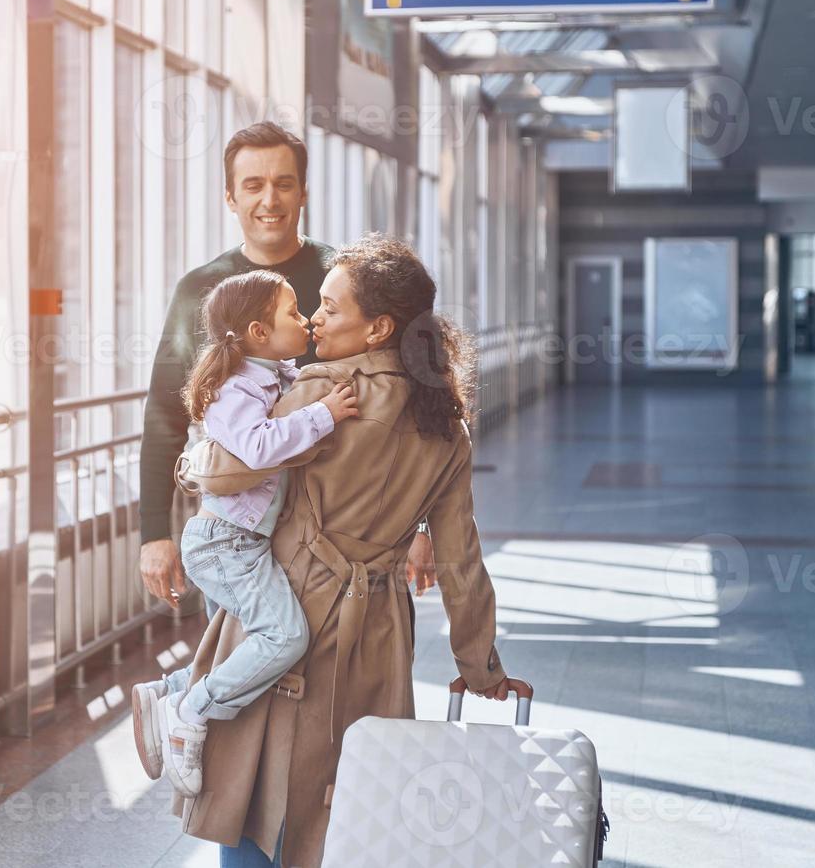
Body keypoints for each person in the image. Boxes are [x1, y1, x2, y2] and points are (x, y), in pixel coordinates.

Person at [172, 235, 527, 868]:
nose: (315, 320)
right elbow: (461, 560)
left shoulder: (317, 395)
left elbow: (227, 473)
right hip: (378, 630)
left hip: (287, 602)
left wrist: (195, 462)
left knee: (258, 796)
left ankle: (174, 700)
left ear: (377, 327)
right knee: (352, 805)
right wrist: (481, 669)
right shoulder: (447, 425)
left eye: (331, 309)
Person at [135, 124, 438, 692]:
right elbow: (163, 415)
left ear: (303, 192)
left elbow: (406, 403)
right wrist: (154, 532)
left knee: (336, 691)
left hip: (344, 535)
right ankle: (196, 733)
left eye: (283, 183)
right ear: (230, 197)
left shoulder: (344, 278)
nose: (268, 200)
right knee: (247, 673)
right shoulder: (199, 290)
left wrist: (420, 523)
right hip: (242, 534)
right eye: (252, 185)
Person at [131, 271, 360, 797]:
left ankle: (167, 690)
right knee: (285, 637)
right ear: (259, 331)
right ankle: (191, 713)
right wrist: (323, 414)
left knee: (246, 641)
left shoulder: (275, 375)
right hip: (224, 544)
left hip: (245, 542)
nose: (305, 321)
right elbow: (258, 449)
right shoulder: (235, 389)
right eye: (293, 313)